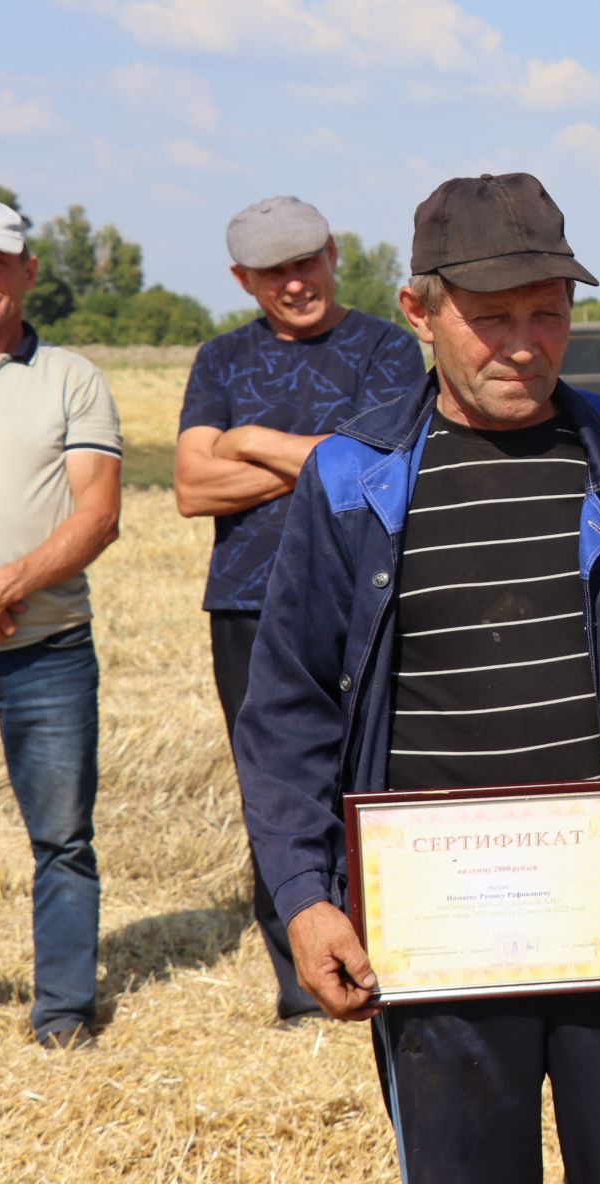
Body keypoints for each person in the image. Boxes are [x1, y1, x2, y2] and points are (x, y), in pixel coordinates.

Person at [231, 171, 600, 1182]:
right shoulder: (352, 478)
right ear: (419, 311)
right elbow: (286, 706)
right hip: (438, 933)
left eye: (548, 312)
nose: (524, 342)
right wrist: (304, 893)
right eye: (491, 316)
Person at [174, 195, 423, 1025]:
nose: (295, 282)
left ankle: (390, 949)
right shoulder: (220, 359)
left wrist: (243, 440)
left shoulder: (387, 349)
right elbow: (187, 487)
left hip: (368, 595)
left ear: (335, 254)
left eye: (306, 261)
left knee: (376, 771)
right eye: (274, 271)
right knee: (275, 785)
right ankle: (298, 980)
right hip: (246, 603)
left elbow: (376, 464)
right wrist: (319, 458)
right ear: (243, 280)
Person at [0, 197, 123, 1049]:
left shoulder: (73, 378)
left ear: (28, 272)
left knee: (63, 840)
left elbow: (97, 514)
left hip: (50, 651)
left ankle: (62, 1014)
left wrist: (4, 587)